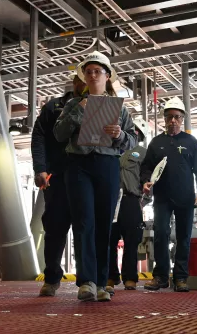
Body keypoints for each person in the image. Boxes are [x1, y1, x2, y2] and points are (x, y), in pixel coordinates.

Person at [54, 51, 137, 302]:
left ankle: (102, 282)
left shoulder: (119, 108)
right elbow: (58, 134)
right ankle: (86, 282)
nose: (92, 75)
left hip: (107, 165)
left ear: (107, 75)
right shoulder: (71, 105)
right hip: (78, 166)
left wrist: (120, 135)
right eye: (88, 71)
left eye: (97, 71)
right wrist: (79, 110)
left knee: (103, 224)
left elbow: (132, 140)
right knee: (84, 223)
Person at [140, 97, 197, 293]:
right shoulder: (156, 143)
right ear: (164, 118)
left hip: (186, 197)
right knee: (160, 233)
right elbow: (146, 168)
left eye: (177, 117)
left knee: (183, 237)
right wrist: (145, 181)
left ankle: (180, 278)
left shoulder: (191, 141)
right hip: (162, 197)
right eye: (169, 117)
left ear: (182, 118)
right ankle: (160, 277)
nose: (173, 121)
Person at [31, 75, 86, 297]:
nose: (88, 82)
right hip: (58, 177)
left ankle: (87, 280)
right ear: (74, 82)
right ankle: (52, 277)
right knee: (54, 228)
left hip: (85, 178)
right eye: (83, 78)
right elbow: (39, 137)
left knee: (85, 229)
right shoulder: (53, 107)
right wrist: (40, 169)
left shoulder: (99, 106)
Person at [106, 118, 148, 294]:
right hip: (111, 199)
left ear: (137, 133)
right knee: (109, 239)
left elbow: (148, 176)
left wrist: (144, 197)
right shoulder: (110, 149)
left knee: (132, 241)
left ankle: (130, 277)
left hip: (131, 199)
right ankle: (110, 275)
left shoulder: (143, 153)